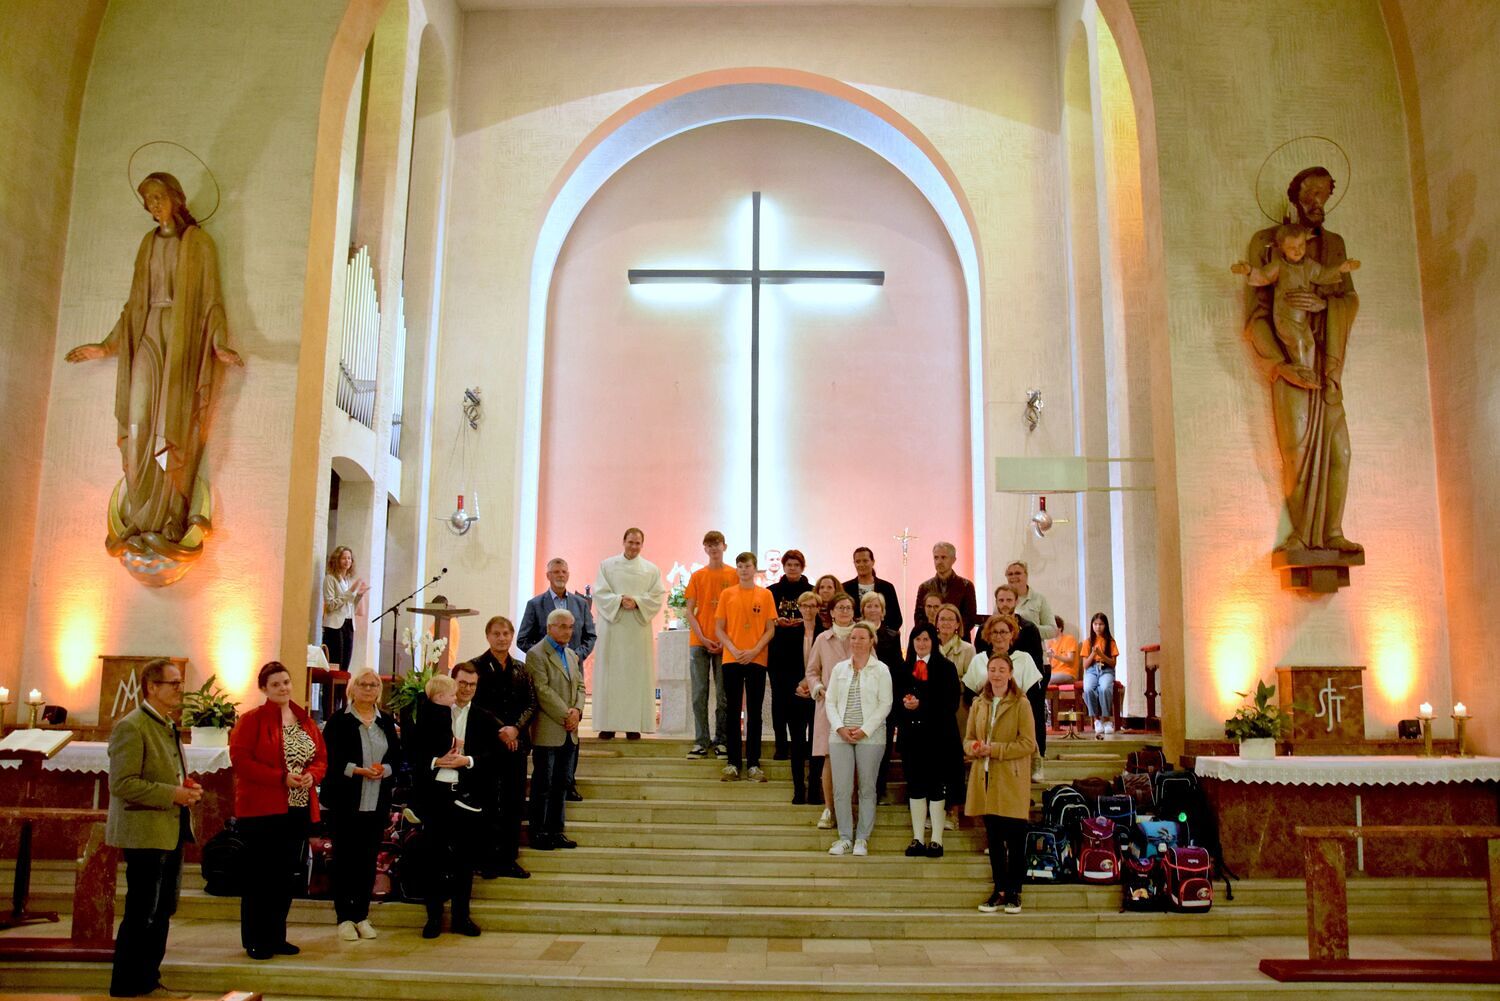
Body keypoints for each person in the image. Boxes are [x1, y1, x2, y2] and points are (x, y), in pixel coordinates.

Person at [64, 171, 243, 569]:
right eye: (148, 200)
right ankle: (141, 512)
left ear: (176, 198)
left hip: (182, 341)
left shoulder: (199, 244)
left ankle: (169, 516)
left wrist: (218, 345)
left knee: (172, 426)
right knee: (138, 424)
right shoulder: (148, 244)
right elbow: (132, 306)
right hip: (147, 333)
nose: (153, 205)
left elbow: (211, 301)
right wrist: (106, 346)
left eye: (159, 196)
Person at [1242, 166, 1362, 554]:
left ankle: (1332, 532)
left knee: (1341, 451)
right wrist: (1280, 366)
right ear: (1295, 196)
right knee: (1295, 452)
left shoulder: (1334, 246)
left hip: (1327, 362)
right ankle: (1300, 535)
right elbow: (1255, 316)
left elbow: (1349, 298)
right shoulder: (1267, 244)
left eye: (1324, 195)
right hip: (1291, 364)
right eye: (1310, 194)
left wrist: (1325, 305)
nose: (1317, 202)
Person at [107, 658, 201, 999]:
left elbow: (164, 772)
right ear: (152, 687)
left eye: (180, 683)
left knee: (161, 911)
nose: (180, 689)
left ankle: (149, 981)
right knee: (142, 912)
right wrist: (172, 794)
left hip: (167, 829)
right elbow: (122, 783)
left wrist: (186, 788)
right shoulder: (132, 726)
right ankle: (128, 986)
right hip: (144, 832)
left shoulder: (165, 724)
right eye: (173, 683)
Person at [230, 661, 327, 960]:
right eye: (275, 684)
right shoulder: (252, 720)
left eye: (286, 682)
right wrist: (280, 778)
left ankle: (276, 936)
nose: (283, 688)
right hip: (262, 810)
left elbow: (321, 758)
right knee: (261, 877)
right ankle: (255, 939)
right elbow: (241, 762)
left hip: (297, 808)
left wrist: (312, 775)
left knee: (285, 876)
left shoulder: (304, 721)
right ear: (264, 689)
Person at [409, 667, 494, 937]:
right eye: (462, 683)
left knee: (464, 860)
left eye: (472, 684)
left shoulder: (483, 717)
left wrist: (467, 761)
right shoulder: (427, 712)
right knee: (433, 857)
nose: (466, 689)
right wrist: (436, 761)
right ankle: (434, 917)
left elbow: (494, 757)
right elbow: (413, 750)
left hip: (466, 795)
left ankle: (461, 917)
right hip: (435, 795)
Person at [319, 667, 402, 942]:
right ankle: (344, 917)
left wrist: (384, 770)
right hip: (345, 802)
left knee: (367, 861)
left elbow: (397, 758)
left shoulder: (385, 722)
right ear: (352, 689)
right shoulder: (339, 721)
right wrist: (356, 770)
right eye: (363, 684)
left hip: (376, 802)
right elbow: (329, 758)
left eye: (373, 685)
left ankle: (362, 915)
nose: (368, 689)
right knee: (345, 860)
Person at [1233, 224, 1359, 394]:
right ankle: (1302, 374)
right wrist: (1249, 270)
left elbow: (1322, 275)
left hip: (1301, 319)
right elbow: (1264, 276)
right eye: (1292, 248)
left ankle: (1308, 373)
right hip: (1284, 317)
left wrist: (1341, 269)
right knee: (1298, 343)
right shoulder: (1279, 266)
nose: (1298, 251)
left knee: (1309, 343)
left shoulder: (1308, 265)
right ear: (1281, 248)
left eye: (1301, 245)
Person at [462, 615, 537, 878]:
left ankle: (508, 858)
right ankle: (487, 860)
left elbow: (531, 703)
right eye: (496, 633)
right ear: (488, 636)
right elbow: (474, 703)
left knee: (513, 802)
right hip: (487, 745)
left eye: (506, 633)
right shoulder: (476, 667)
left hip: (516, 745)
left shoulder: (521, 668)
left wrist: (516, 728)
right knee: (488, 800)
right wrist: (501, 729)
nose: (502, 638)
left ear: (512, 635)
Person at [965, 648, 1037, 915]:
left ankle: (1015, 891)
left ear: (1010, 674)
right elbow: (968, 737)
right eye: (992, 670)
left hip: (1011, 778)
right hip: (985, 777)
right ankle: (999, 890)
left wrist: (995, 749)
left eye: (1001, 670)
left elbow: (1028, 743)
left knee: (1015, 839)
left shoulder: (1021, 703)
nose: (996, 675)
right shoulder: (979, 703)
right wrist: (974, 747)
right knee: (994, 840)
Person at [892, 624, 960, 859]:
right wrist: (905, 706)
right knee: (916, 787)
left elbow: (951, 703)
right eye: (917, 639)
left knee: (936, 787)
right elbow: (894, 702)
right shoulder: (903, 668)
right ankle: (918, 837)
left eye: (925, 639)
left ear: (933, 642)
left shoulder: (946, 667)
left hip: (938, 738)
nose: (921, 644)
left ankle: (937, 839)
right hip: (912, 738)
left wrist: (921, 705)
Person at [824, 622, 892, 857]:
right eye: (853, 638)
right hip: (840, 736)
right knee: (841, 789)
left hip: (870, 737)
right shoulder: (839, 669)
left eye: (862, 638)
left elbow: (885, 704)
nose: (857, 642)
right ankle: (844, 838)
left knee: (867, 788)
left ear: (872, 641)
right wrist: (840, 727)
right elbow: (830, 701)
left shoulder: (881, 670)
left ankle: (862, 838)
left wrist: (865, 729)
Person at [592, 526, 666, 738]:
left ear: (642, 545)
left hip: (637, 629)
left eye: (637, 543)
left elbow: (657, 595)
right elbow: (600, 592)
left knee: (635, 677)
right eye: (630, 542)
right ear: (623, 542)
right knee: (611, 676)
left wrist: (638, 602)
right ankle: (608, 725)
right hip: (612, 628)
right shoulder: (607, 565)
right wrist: (618, 600)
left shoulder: (651, 570)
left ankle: (633, 725)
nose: (634, 546)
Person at [526, 609, 587, 849]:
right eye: (562, 626)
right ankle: (538, 833)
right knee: (543, 785)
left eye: (570, 626)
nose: (567, 631)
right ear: (549, 627)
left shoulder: (571, 654)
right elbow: (542, 690)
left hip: (569, 731)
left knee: (562, 784)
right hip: (549, 729)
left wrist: (578, 711)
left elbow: (580, 686)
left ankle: (556, 831)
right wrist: (566, 714)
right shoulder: (536, 654)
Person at [716, 552, 778, 782]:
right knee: (732, 711)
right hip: (731, 659)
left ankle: (753, 763)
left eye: (748, 566)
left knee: (754, 711)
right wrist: (733, 649)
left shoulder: (766, 594)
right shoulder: (727, 594)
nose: (744, 570)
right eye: (740, 566)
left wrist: (754, 650)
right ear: (737, 569)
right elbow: (719, 628)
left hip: (757, 659)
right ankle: (733, 763)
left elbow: (770, 629)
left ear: (755, 568)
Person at [966, 614, 1045, 781]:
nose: (999, 636)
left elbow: (1034, 693)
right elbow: (968, 692)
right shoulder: (979, 659)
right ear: (988, 635)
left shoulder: (1023, 658)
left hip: (1015, 712)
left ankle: (1033, 763)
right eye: (994, 632)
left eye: (1003, 632)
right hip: (987, 711)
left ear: (1012, 634)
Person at [801, 591, 855, 828]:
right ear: (831, 612)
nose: (844, 611)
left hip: (855, 706)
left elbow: (873, 665)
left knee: (855, 758)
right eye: (840, 607)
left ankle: (850, 810)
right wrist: (818, 687)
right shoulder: (823, 639)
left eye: (848, 608)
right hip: (829, 705)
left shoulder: (861, 635)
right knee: (830, 758)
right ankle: (829, 809)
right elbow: (812, 671)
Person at [683, 531, 737, 758]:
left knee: (723, 695)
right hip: (699, 642)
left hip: (724, 643)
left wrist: (724, 640)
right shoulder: (698, 576)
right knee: (699, 693)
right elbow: (689, 610)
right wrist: (703, 637)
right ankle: (701, 740)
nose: (714, 548)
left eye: (717, 544)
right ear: (705, 549)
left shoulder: (734, 575)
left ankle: (721, 740)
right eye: (709, 545)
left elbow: (737, 611)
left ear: (724, 546)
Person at [767, 548, 814, 762]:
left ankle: (802, 745)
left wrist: (804, 622)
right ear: (784, 567)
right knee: (779, 701)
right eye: (789, 565)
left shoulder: (811, 591)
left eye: (796, 565)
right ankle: (780, 745)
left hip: (803, 655)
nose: (792, 568)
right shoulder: (772, 592)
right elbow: (765, 620)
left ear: (802, 567)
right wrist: (777, 622)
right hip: (778, 654)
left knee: (802, 701)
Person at [858, 591, 904, 803]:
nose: (872, 609)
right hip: (860, 698)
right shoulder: (856, 634)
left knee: (882, 745)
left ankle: (879, 788)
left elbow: (897, 668)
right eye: (868, 606)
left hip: (884, 698)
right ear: (862, 610)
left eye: (876, 606)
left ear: (883, 611)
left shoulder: (893, 636)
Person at [516, 557, 597, 659]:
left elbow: (590, 637)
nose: (561, 575)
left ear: (568, 575)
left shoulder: (582, 604)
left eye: (564, 572)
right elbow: (522, 640)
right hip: (545, 666)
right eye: (556, 572)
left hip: (574, 665)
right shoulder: (534, 605)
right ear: (548, 576)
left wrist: (576, 656)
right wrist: (544, 656)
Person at [787, 589, 825, 804]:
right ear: (799, 608)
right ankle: (798, 790)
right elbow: (782, 665)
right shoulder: (790, 633)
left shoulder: (825, 634)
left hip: (818, 694)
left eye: (812, 606)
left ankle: (814, 791)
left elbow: (827, 664)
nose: (808, 610)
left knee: (816, 743)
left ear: (818, 608)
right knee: (798, 743)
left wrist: (813, 685)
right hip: (797, 694)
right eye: (804, 606)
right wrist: (797, 686)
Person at [912, 542, 978, 637]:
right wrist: (933, 635)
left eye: (943, 557)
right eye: (936, 557)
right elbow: (919, 617)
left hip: (958, 640)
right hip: (932, 639)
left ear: (953, 560)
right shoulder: (924, 587)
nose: (939, 562)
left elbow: (969, 618)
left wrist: (949, 633)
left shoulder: (966, 586)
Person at [321, 546, 368, 672]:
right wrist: (350, 592)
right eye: (344, 558)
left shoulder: (348, 580)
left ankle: (342, 686)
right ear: (337, 560)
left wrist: (359, 595)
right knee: (336, 663)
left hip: (348, 624)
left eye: (349, 558)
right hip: (334, 626)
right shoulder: (330, 579)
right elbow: (330, 605)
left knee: (345, 665)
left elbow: (351, 606)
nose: (347, 561)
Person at [842, 547, 903, 633]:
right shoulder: (845, 588)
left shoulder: (887, 587)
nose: (861, 564)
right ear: (854, 563)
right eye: (858, 561)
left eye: (865, 561)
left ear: (873, 562)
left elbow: (896, 618)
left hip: (882, 637)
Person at [1082, 612, 1121, 735]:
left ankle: (1107, 719)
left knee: (1104, 688)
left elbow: (1113, 663)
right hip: (1092, 670)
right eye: (1095, 624)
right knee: (1088, 688)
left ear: (1105, 625)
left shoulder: (1110, 641)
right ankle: (1096, 719)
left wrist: (1101, 655)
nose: (1098, 627)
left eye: (1101, 624)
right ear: (1092, 625)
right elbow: (1085, 665)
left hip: (1106, 669)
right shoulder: (1088, 642)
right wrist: (1093, 654)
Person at [1003, 562, 1056, 641]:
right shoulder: (1002, 600)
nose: (1013, 577)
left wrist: (1028, 628)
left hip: (1033, 647)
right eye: (1010, 574)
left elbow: (1052, 631)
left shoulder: (1039, 599)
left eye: (1017, 573)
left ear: (1026, 576)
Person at [1047, 616, 1081, 685]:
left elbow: (1070, 660)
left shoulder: (1069, 639)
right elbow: (1049, 664)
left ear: (1060, 628)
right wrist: (1048, 658)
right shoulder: (1049, 643)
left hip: (1068, 673)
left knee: (1047, 680)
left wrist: (1055, 656)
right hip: (1053, 673)